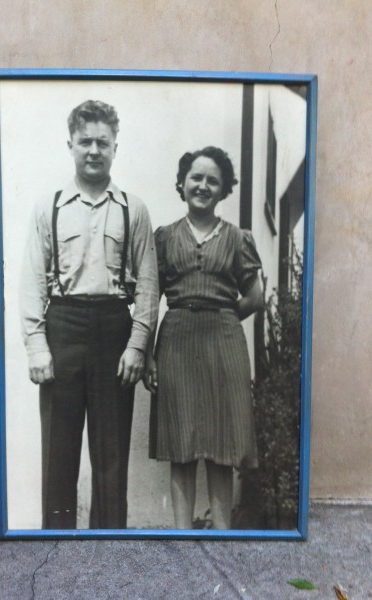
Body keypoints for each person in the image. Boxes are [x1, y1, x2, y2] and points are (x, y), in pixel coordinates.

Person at [20, 100, 158, 530]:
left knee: (111, 455)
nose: (94, 150)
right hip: (63, 326)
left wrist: (138, 345)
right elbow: (31, 283)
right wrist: (36, 346)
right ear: (71, 145)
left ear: (116, 147)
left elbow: (149, 286)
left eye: (103, 142)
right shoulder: (51, 207)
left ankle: (108, 556)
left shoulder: (132, 209)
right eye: (85, 142)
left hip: (114, 330)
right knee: (58, 453)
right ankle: (57, 552)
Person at [145, 146, 263, 530]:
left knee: (221, 445)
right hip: (176, 342)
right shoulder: (163, 238)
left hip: (224, 345)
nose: (203, 185)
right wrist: (147, 355)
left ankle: (222, 535)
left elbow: (256, 296)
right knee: (181, 445)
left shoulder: (237, 238)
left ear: (224, 189)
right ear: (182, 184)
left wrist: (223, 316)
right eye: (196, 177)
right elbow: (149, 297)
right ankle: (183, 536)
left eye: (213, 180)